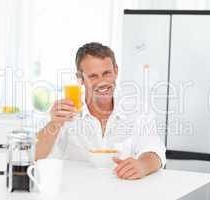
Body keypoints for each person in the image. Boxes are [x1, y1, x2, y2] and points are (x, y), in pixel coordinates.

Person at [35, 42, 166, 180]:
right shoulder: (63, 112)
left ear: (116, 71)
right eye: (93, 76)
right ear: (80, 78)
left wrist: (142, 165)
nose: (102, 82)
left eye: (106, 73)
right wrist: (54, 124)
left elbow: (155, 151)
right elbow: (35, 156)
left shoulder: (137, 109)